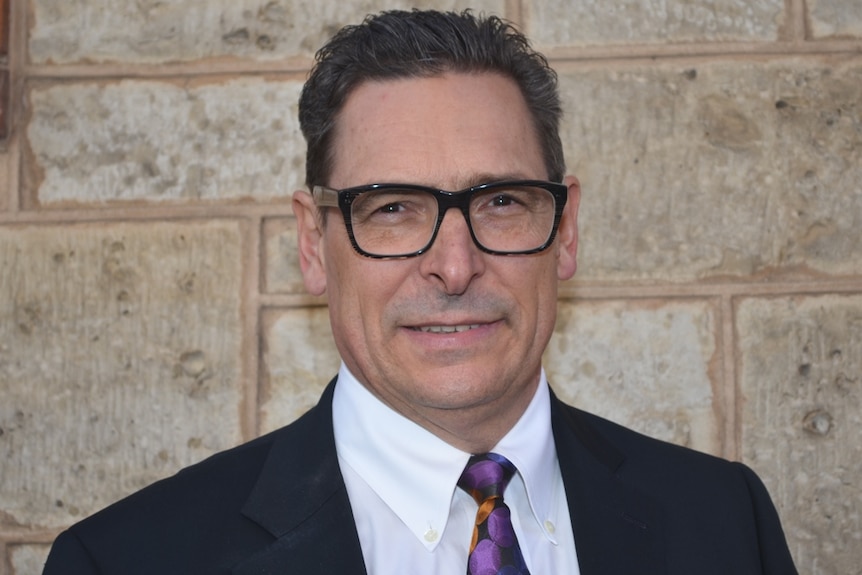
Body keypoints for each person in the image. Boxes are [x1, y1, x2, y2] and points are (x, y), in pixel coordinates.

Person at [43, 9, 797, 574]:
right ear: (314, 244)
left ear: (565, 231)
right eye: (394, 209)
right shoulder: (127, 560)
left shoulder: (726, 524)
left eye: (501, 201)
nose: (455, 265)